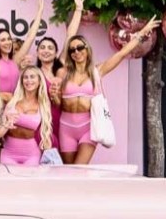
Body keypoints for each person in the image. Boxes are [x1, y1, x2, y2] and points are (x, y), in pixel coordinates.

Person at [54, 18, 160, 165]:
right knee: (68, 170)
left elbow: (122, 53)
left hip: (88, 128)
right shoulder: (63, 73)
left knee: (79, 169)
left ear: (87, 49)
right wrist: (54, 97)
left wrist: (142, 32)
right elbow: (59, 103)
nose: (76, 52)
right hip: (66, 127)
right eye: (72, 50)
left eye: (80, 48)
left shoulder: (97, 71)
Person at [37, 0, 84, 149]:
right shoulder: (33, 73)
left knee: (59, 164)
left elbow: (70, 35)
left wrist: (78, 9)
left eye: (50, 48)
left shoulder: (61, 67)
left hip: (62, 120)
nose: (46, 50)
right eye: (42, 47)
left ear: (56, 52)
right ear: (37, 52)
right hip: (40, 122)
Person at [0, 0, 44, 103]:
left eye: (9, 39)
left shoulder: (15, 60)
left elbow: (30, 37)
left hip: (14, 107)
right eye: (3, 40)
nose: (7, 42)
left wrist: (40, 13)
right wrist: (2, 96)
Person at [1, 67, 53, 166]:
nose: (29, 80)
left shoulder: (44, 104)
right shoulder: (12, 99)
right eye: (25, 77)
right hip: (8, 153)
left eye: (32, 77)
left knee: (29, 181)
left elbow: (46, 131)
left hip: (32, 155)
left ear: (39, 81)